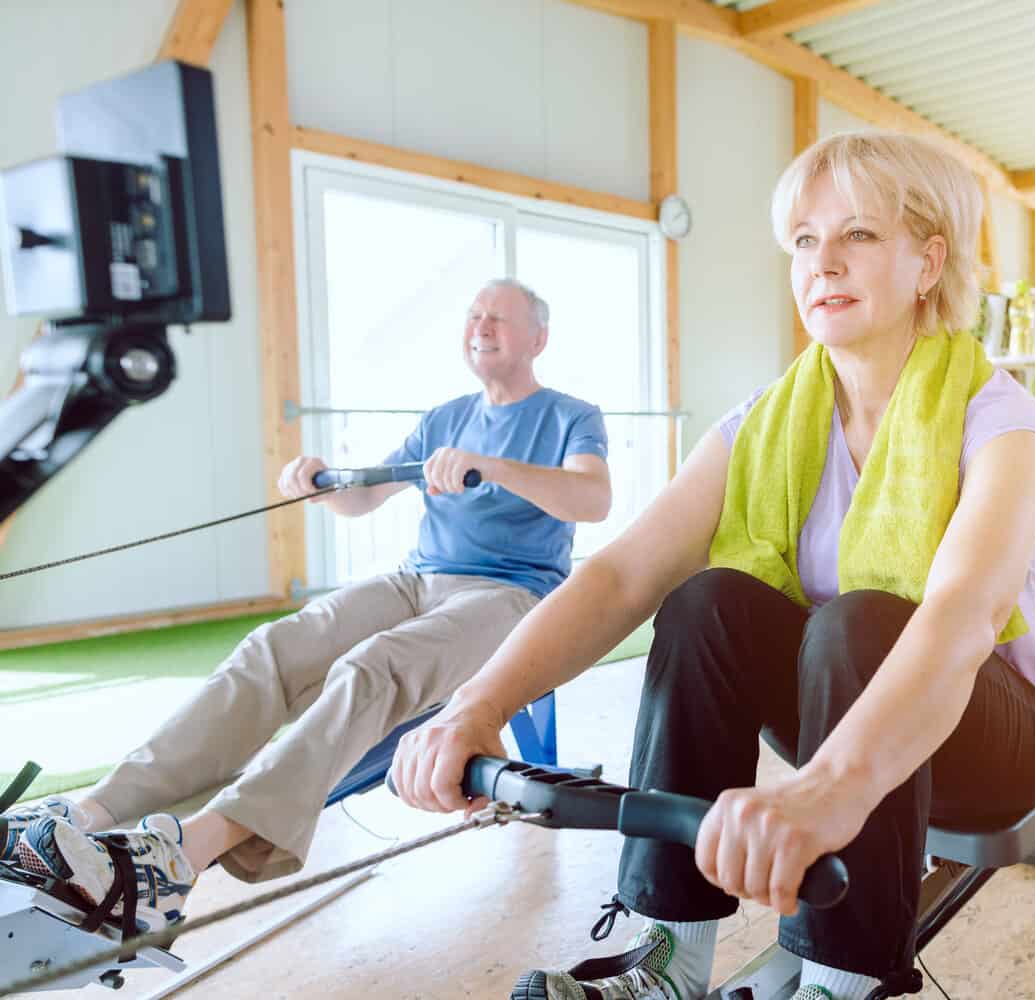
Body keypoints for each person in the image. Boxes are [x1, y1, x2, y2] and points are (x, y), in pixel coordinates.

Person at [391, 132, 1035, 1000]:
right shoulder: (763, 423)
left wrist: (828, 790)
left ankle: (844, 979)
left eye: (860, 236)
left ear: (927, 263)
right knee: (707, 601)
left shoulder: (1002, 423)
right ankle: (666, 959)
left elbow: (961, 615)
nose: (822, 263)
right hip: (844, 716)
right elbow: (622, 575)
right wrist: (477, 703)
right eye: (805, 240)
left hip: (998, 743)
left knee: (866, 619)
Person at [3, 279, 611, 932]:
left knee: (374, 666)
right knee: (270, 649)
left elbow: (592, 501)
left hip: (511, 593)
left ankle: (182, 856)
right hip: (416, 579)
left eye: (498, 317)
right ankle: (86, 816)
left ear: (537, 338)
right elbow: (366, 497)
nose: (479, 325)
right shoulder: (445, 416)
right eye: (473, 314)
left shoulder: (570, 415)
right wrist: (318, 483)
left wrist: (495, 467)